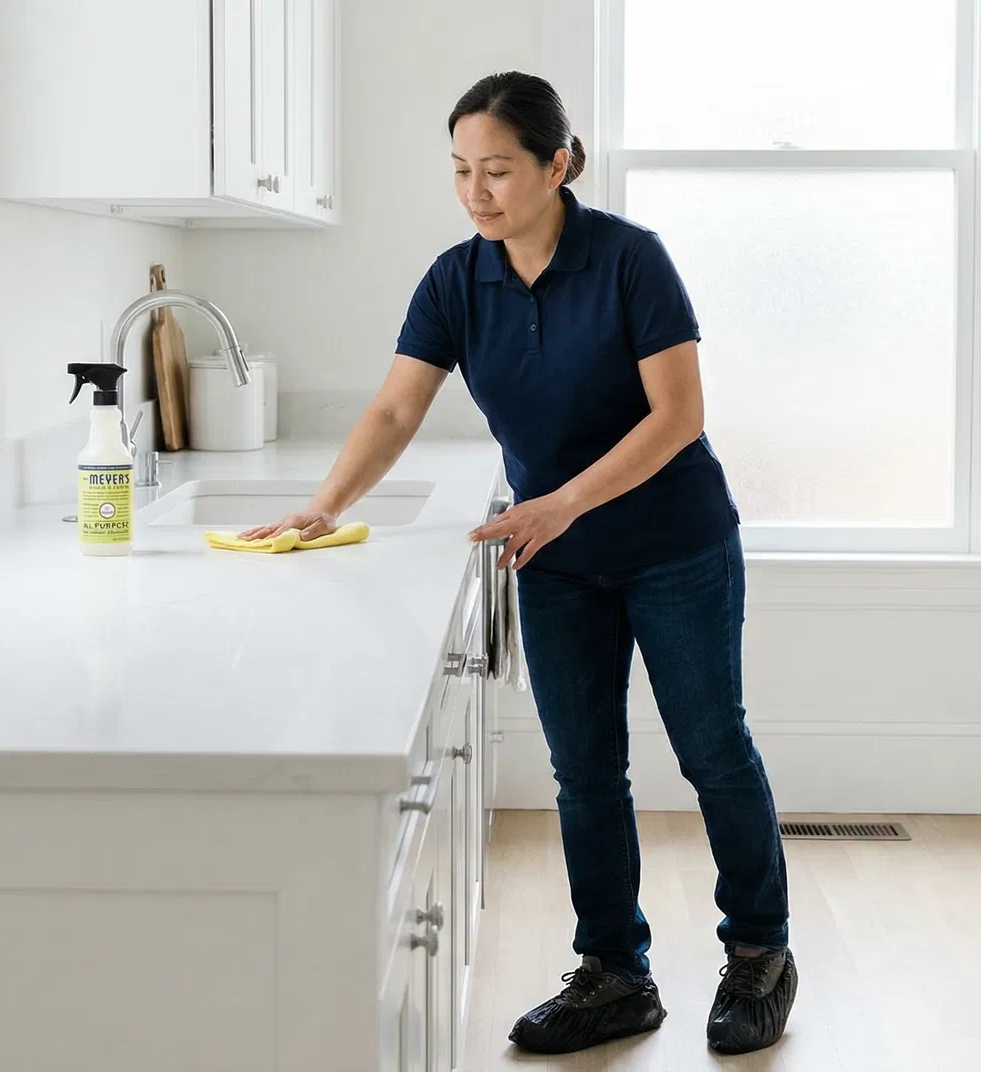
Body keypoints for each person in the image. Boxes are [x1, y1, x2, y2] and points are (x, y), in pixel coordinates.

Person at [238, 71, 795, 1056]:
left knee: (713, 750)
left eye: (498, 169)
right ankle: (614, 972)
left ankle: (759, 952)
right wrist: (324, 506)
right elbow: (396, 408)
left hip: (674, 545)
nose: (476, 191)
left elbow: (680, 417)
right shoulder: (458, 280)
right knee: (584, 770)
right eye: (460, 170)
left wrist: (565, 499)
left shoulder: (630, 261)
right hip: (555, 560)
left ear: (558, 164)